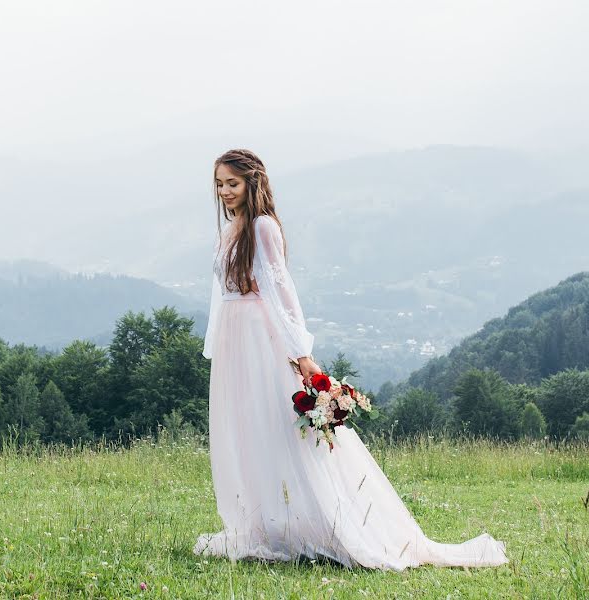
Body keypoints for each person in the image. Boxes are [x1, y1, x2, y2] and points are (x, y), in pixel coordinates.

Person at [193, 148, 508, 570]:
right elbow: (223, 294)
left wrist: (301, 354)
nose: (225, 192)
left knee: (280, 427)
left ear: (253, 182)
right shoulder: (231, 229)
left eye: (232, 183)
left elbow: (282, 292)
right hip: (235, 341)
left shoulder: (264, 227)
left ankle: (333, 521)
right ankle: (261, 524)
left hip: (258, 338)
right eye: (219, 185)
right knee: (246, 428)